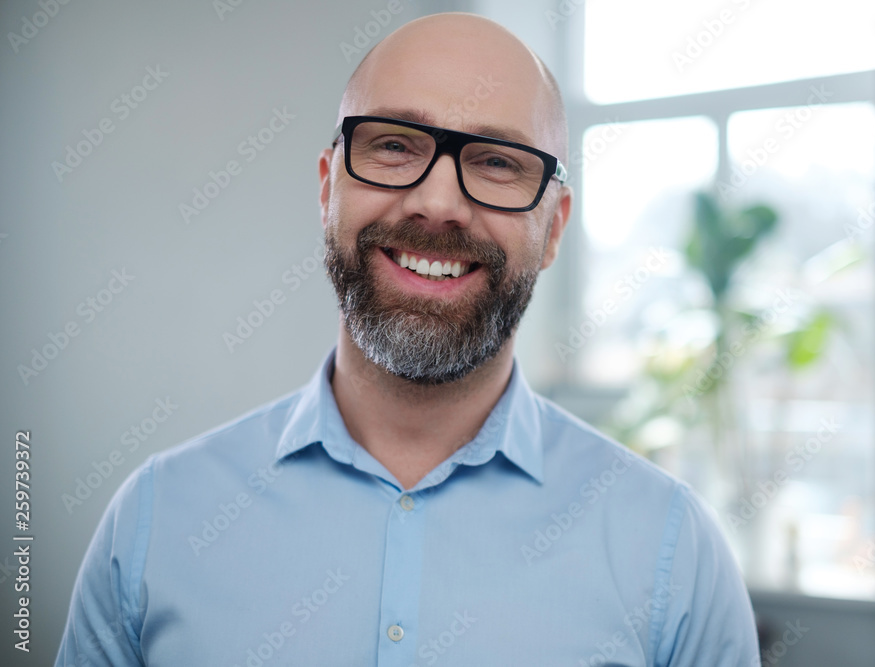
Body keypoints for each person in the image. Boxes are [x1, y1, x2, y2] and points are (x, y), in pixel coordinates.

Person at [56, 12, 758, 666]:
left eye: (496, 162)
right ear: (328, 188)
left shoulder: (674, 550)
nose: (439, 203)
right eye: (394, 145)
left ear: (554, 228)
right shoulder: (154, 520)